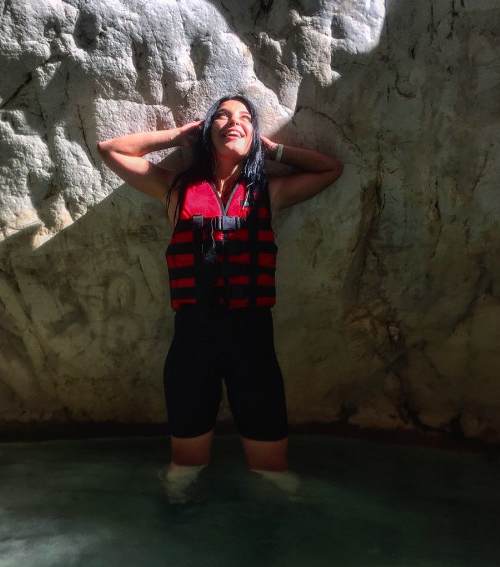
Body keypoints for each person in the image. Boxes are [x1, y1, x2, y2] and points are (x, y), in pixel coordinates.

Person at [98, 95, 343, 500]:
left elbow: (330, 168)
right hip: (193, 343)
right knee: (184, 473)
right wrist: (178, 136)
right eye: (223, 117)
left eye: (245, 118)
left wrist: (274, 150)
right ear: (206, 130)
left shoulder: (269, 192)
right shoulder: (175, 190)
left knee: (274, 476)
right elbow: (111, 150)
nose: (235, 122)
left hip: (253, 344)